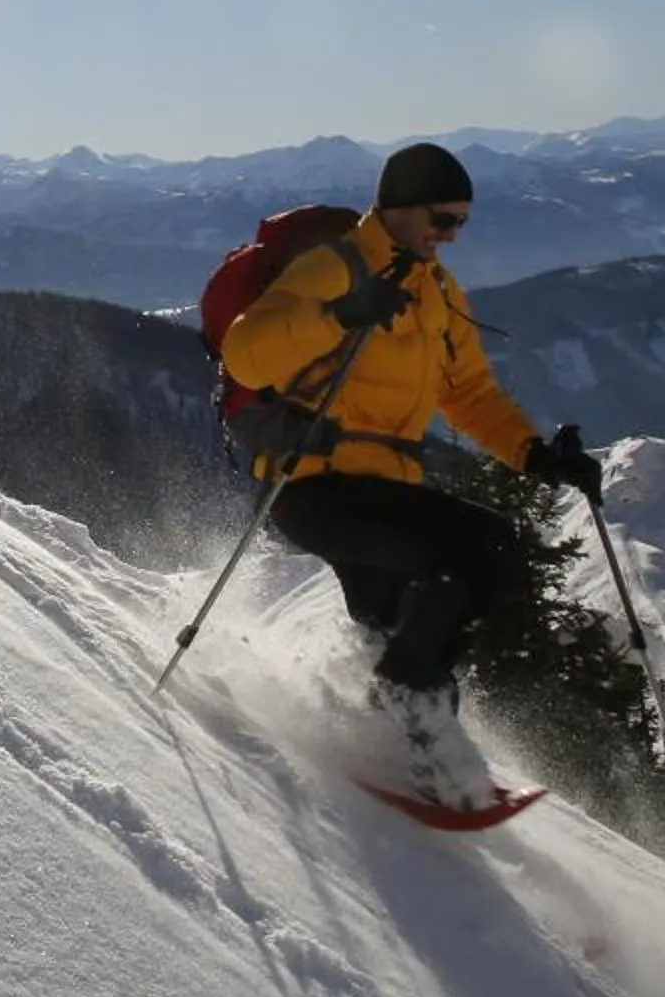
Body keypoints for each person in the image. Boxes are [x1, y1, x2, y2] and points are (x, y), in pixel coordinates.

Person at [220, 141, 605, 792]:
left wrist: (536, 456)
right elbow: (246, 356)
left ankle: (401, 753)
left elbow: (470, 395)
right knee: (485, 550)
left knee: (402, 622)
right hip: (314, 486)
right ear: (399, 206)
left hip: (384, 491)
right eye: (443, 218)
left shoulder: (437, 292)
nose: (450, 235)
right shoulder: (334, 267)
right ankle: (407, 703)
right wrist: (340, 315)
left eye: (462, 223)